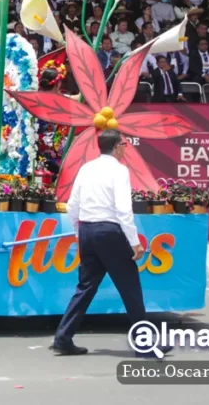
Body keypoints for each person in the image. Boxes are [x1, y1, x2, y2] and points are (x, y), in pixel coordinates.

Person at [52, 130, 165, 357]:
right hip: (108, 231)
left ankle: (63, 337)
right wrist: (134, 242)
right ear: (118, 147)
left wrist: (79, 233)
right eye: (124, 145)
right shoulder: (119, 170)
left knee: (85, 287)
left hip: (87, 229)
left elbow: (72, 205)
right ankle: (144, 343)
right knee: (130, 286)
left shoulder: (86, 168)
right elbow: (123, 210)